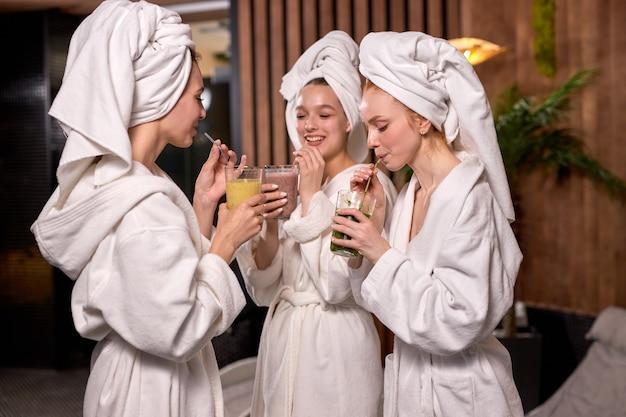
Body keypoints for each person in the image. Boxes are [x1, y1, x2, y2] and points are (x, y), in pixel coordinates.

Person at [30, 1, 284, 416]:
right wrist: (225, 240)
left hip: (134, 379)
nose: (202, 110)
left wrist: (202, 207)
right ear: (161, 92)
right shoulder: (143, 205)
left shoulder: (126, 184)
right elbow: (178, 327)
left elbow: (162, 285)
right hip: (153, 391)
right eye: (197, 96)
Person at [331, 31, 524, 417]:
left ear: (421, 119)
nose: (371, 141)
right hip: (412, 387)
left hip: (464, 395)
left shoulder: (471, 199)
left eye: (382, 125)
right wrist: (371, 235)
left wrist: (380, 250)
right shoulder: (410, 195)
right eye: (368, 127)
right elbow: (384, 299)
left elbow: (458, 321)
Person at [235, 31, 397, 417]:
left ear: (348, 121)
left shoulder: (365, 183)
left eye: (325, 115)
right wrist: (271, 223)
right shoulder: (302, 180)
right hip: (285, 341)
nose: (311, 125)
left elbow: (336, 285)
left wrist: (310, 199)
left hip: (336, 347)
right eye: (302, 114)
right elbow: (264, 290)